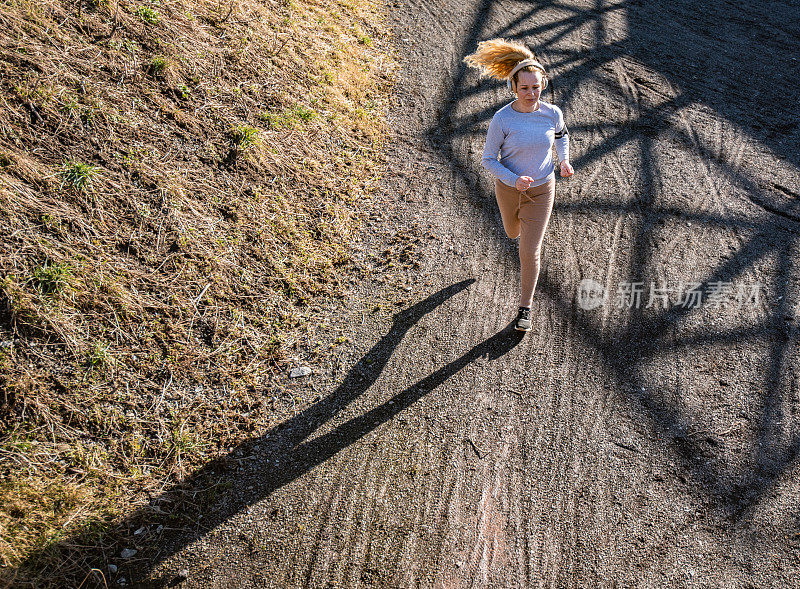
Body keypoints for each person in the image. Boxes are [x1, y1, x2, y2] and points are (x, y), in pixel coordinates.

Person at [464, 39, 574, 332]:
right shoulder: (503, 119)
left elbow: (562, 137)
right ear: (513, 88)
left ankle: (525, 308)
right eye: (524, 88)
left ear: (544, 84)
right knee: (512, 231)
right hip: (509, 190)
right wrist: (514, 180)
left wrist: (563, 161)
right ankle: (514, 227)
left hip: (542, 189)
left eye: (536, 87)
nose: (531, 93)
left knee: (529, 249)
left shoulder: (553, 113)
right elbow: (488, 159)